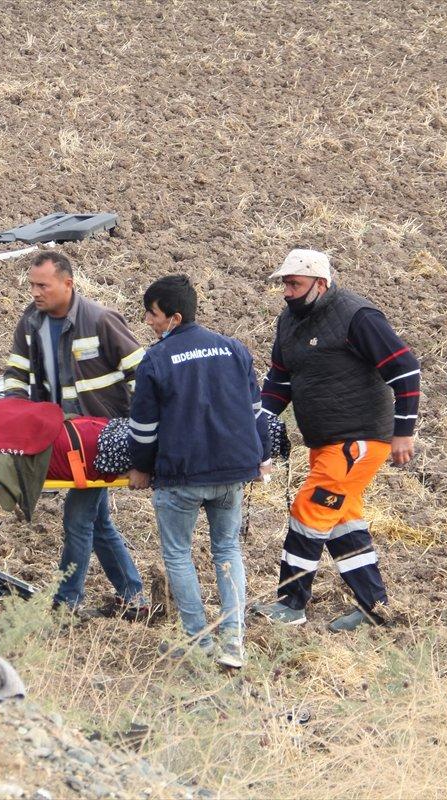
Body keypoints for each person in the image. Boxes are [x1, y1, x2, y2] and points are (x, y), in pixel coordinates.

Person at [253, 249, 421, 631]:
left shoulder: (357, 315)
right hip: (325, 443)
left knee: (308, 510)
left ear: (320, 283)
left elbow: (405, 368)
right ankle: (374, 607)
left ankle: (291, 603)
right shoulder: (289, 321)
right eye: (284, 284)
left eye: (294, 283)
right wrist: (258, 421)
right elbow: (279, 380)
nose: (286, 292)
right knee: (343, 520)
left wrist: (403, 432)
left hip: (357, 440)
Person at [127, 275, 271, 668]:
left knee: (177, 553)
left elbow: (143, 429)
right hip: (231, 474)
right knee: (228, 549)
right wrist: (260, 457)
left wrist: (140, 469)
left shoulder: (155, 360)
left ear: (174, 317)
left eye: (152, 313)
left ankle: (200, 643)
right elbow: (257, 414)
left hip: (181, 477)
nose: (147, 320)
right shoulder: (234, 350)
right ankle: (233, 643)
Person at [3, 251, 148, 616]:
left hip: (99, 440)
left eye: (43, 285)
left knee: (78, 517)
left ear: (68, 284)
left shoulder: (100, 320)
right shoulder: (30, 323)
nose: (35, 292)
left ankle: (67, 601)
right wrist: (18, 416)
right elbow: (16, 376)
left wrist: (138, 437)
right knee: (97, 521)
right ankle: (133, 595)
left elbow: (144, 378)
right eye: (32, 284)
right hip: (59, 440)